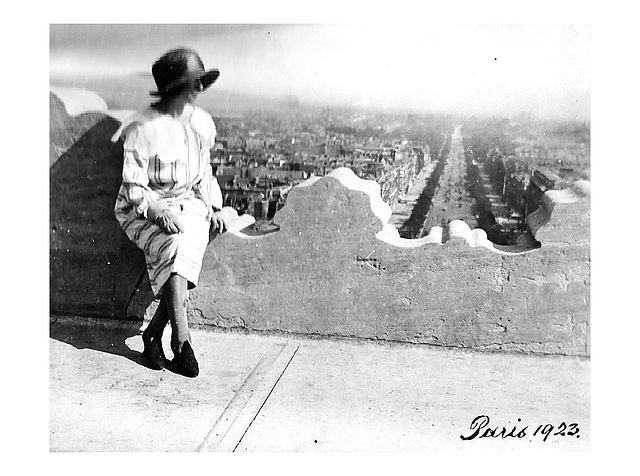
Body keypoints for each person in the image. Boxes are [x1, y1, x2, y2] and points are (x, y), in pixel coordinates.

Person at [113, 48, 227, 377]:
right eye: (193, 85)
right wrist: (157, 210)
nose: (198, 92)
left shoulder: (201, 124)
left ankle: (156, 335)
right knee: (177, 245)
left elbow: (204, 173)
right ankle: (182, 338)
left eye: (200, 84)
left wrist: (214, 205)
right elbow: (133, 187)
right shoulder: (142, 128)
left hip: (187, 202)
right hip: (141, 208)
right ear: (175, 90)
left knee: (190, 238)